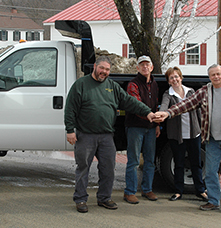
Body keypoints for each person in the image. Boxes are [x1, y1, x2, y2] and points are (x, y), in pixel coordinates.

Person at [155, 64, 221, 216]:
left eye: (218, 74)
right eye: (212, 75)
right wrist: (168, 113)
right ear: (209, 77)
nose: (216, 77)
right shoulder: (205, 91)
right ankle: (213, 201)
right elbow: (187, 104)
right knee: (211, 173)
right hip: (211, 140)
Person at [65, 56, 157, 213]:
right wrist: (70, 130)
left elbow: (129, 101)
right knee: (83, 168)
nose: (104, 72)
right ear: (95, 66)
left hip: (107, 136)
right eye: (102, 68)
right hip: (86, 135)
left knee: (108, 168)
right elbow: (70, 108)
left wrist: (148, 113)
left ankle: (104, 198)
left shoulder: (112, 86)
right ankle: (80, 199)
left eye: (107, 69)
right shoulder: (80, 85)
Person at [159, 67, 207, 202]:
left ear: (181, 77)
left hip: (194, 134)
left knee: (196, 163)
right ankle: (178, 191)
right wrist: (161, 114)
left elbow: (199, 111)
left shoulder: (191, 92)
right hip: (177, 136)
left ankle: (200, 191)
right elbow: (164, 106)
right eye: (171, 78)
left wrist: (202, 129)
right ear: (168, 81)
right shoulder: (168, 95)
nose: (174, 80)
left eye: (176, 77)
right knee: (179, 164)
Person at [124, 56, 160, 204]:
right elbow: (136, 104)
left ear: (152, 67)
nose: (145, 67)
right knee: (133, 161)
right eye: (142, 65)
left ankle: (147, 189)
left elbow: (156, 104)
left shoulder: (155, 84)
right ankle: (130, 192)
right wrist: (150, 116)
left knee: (150, 161)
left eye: (147, 65)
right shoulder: (133, 84)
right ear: (137, 68)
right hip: (135, 127)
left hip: (151, 128)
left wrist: (157, 124)